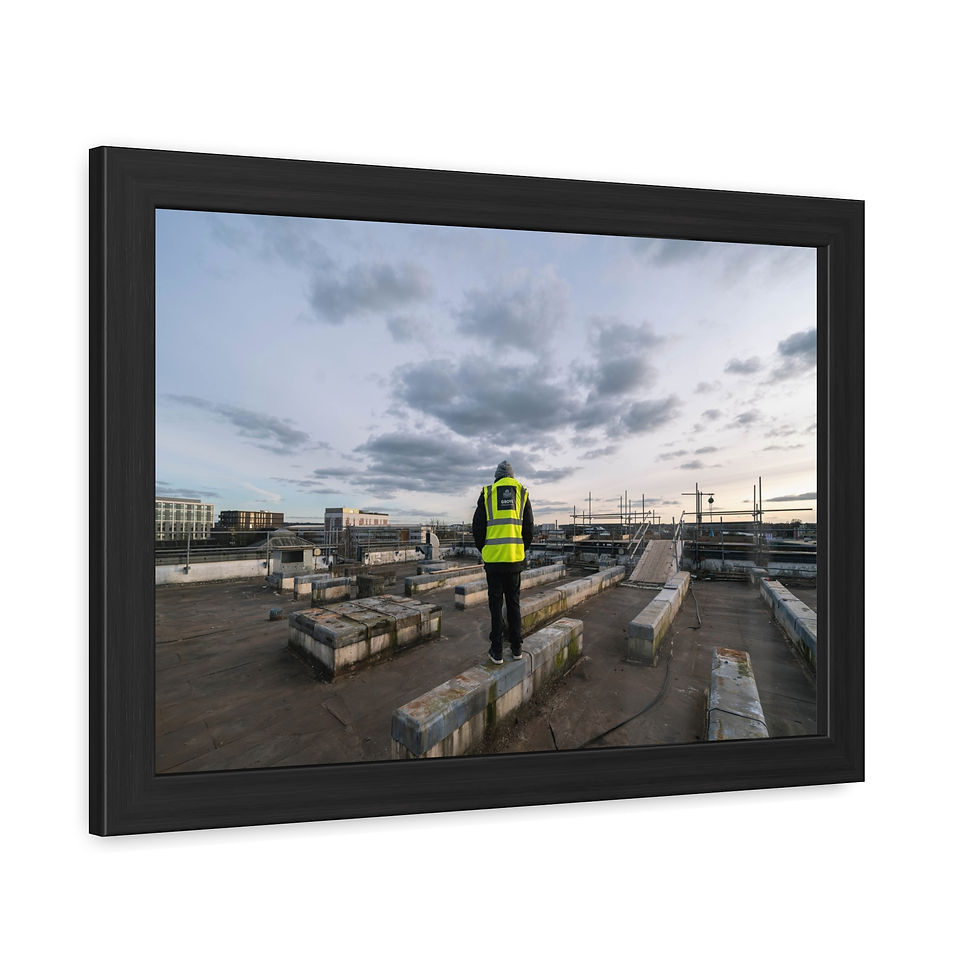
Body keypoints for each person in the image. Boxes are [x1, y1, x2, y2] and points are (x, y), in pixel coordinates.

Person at [471, 460, 534, 664]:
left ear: (496, 476)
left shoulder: (488, 493)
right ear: (512, 477)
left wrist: (485, 548)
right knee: (514, 604)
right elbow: (529, 528)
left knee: (496, 606)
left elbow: (477, 527)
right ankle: (517, 648)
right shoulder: (522, 493)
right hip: (515, 560)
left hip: (494, 561)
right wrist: (519, 548)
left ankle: (497, 650)